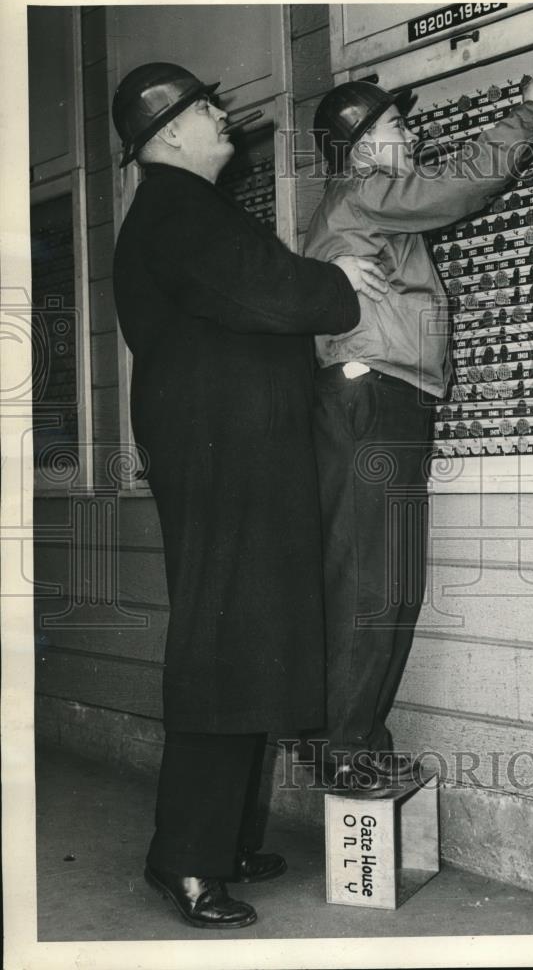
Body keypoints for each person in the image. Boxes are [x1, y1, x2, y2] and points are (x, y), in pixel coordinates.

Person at [110, 62, 389, 929]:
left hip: (236, 452)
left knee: (247, 640)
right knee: (219, 646)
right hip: (220, 453)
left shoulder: (185, 209)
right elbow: (260, 289)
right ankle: (183, 861)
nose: (222, 115)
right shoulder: (175, 208)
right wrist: (342, 288)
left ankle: (222, 842)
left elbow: (248, 288)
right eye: (205, 109)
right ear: (167, 137)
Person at [301, 72, 533, 790]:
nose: (409, 135)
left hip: (391, 400)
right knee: (371, 581)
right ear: (358, 150)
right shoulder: (364, 194)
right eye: (394, 125)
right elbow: (460, 187)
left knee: (388, 583)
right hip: (370, 399)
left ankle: (355, 735)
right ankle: (338, 744)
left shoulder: (372, 207)